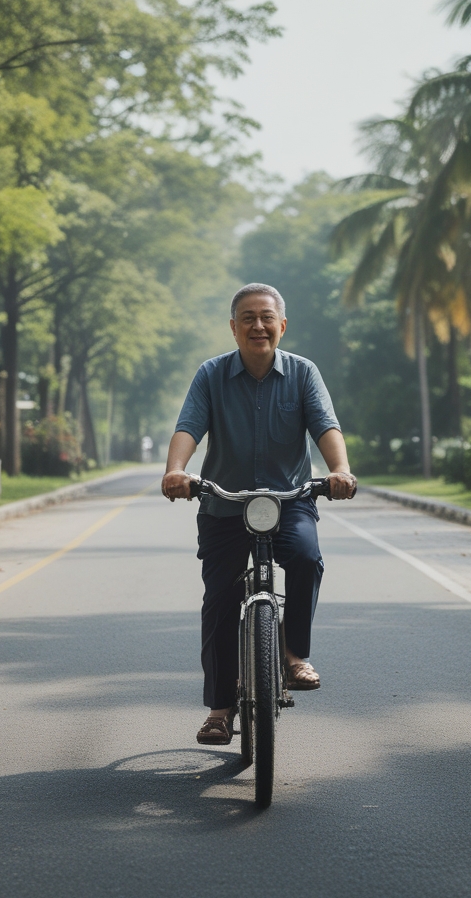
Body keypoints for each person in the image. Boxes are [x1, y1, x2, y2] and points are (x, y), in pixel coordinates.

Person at [162, 283, 358, 745]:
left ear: (282, 325)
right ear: (233, 328)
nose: (258, 325)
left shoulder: (303, 373)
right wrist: (176, 470)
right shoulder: (210, 375)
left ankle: (294, 656)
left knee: (306, 559)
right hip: (223, 504)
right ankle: (218, 709)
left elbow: (325, 426)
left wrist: (340, 471)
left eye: (267, 317)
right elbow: (188, 427)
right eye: (247, 318)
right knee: (220, 602)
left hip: (287, 501)